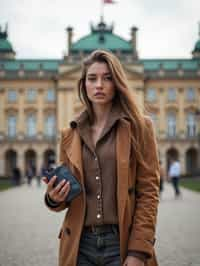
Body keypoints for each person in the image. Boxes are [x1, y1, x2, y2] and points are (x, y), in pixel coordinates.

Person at [43, 50, 160, 266]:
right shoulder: (70, 134)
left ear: (117, 83)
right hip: (80, 244)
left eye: (107, 78)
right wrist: (54, 197)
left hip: (121, 243)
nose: (99, 85)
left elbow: (149, 193)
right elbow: (66, 200)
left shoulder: (140, 127)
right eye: (92, 78)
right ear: (83, 84)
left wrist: (138, 251)